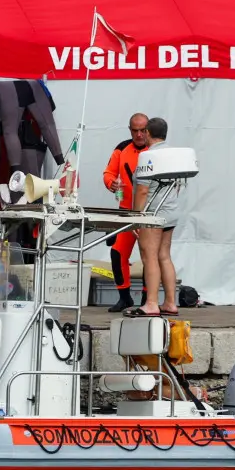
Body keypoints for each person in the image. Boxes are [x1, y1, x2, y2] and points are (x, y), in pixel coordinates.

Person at [129, 117, 180, 317]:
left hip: (153, 212)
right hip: (171, 210)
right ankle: (170, 302)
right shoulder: (174, 155)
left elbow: (142, 191)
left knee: (149, 256)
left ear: (148, 133)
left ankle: (151, 303)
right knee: (164, 256)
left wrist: (135, 217)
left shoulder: (147, 156)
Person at [102, 112, 150, 312]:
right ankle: (125, 297)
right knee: (117, 252)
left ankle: (149, 298)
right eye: (135, 130)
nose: (139, 135)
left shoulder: (155, 149)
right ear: (130, 130)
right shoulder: (122, 149)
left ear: (149, 130)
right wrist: (111, 183)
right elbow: (109, 173)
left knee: (150, 256)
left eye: (143, 130)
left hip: (148, 213)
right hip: (125, 212)